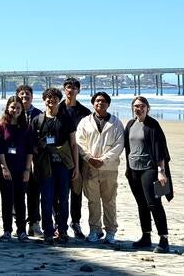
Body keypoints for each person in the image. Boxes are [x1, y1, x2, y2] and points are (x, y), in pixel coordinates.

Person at [124, 96, 173, 254]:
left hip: (149, 169)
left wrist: (161, 172)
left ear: (148, 108)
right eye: (136, 106)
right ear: (133, 108)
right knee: (141, 204)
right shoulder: (131, 124)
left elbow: (160, 150)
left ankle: (164, 239)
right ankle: (146, 236)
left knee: (154, 204)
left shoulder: (152, 125)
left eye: (142, 106)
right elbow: (127, 147)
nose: (139, 108)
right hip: (133, 170)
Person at [31, 88, 78, 245]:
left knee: (63, 199)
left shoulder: (66, 119)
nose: (51, 100)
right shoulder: (37, 120)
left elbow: (73, 144)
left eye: (54, 98)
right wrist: (39, 147)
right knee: (46, 199)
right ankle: (48, 232)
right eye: (48, 98)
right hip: (45, 165)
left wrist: (76, 167)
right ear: (44, 100)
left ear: (59, 100)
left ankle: (62, 230)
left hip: (63, 165)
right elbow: (32, 145)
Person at [75, 92, 124, 244]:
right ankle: (94, 230)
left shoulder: (116, 123)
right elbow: (79, 142)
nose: (100, 104)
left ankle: (110, 231)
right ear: (93, 103)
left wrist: (103, 160)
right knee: (93, 201)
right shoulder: (85, 122)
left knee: (109, 200)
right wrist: (89, 158)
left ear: (108, 104)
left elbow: (119, 145)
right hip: (90, 168)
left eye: (103, 101)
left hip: (109, 168)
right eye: (97, 101)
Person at [0, 96, 34, 243]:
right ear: (7, 108)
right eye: (12, 107)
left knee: (20, 200)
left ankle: (22, 230)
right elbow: (0, 150)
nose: (15, 110)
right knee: (7, 199)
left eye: (18, 107)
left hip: (21, 168)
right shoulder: (1, 126)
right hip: (5, 167)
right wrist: (4, 168)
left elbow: (30, 150)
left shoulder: (26, 127)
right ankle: (7, 230)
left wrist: (27, 170)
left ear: (21, 109)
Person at [57, 77, 91, 240]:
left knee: (76, 191)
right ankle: (59, 223)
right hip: (60, 157)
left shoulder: (85, 112)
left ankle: (75, 222)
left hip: (79, 156)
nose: (70, 90)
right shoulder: (57, 109)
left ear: (78, 90)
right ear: (64, 90)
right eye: (68, 87)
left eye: (74, 88)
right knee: (60, 192)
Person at [16, 84, 43, 237]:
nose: (24, 97)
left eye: (27, 95)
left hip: (36, 161)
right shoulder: (12, 114)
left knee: (34, 193)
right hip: (18, 160)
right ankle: (19, 224)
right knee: (17, 194)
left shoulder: (39, 114)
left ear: (32, 97)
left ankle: (34, 224)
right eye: (22, 94)